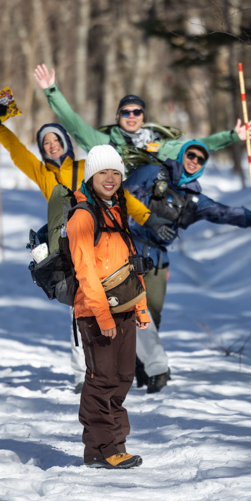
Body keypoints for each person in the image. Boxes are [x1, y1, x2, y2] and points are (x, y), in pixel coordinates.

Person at [0, 106, 175, 391]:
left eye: (56, 140)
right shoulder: (43, 174)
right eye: (46, 143)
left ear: (65, 143)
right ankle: (81, 377)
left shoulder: (85, 167)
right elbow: (17, 152)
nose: (51, 146)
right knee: (79, 311)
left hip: (108, 244)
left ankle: (157, 368)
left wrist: (148, 218)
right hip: (72, 249)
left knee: (132, 301)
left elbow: (118, 192)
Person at [123, 139, 251, 393]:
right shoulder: (151, 172)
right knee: (129, 311)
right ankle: (137, 366)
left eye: (200, 159)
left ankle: (142, 363)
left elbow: (224, 213)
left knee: (151, 316)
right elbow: (119, 196)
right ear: (182, 155)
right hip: (126, 251)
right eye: (190, 155)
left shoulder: (194, 198)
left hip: (158, 260)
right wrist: (148, 222)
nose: (194, 161)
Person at [69, 145, 150, 469]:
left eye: (116, 172)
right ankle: (101, 448)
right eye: (103, 172)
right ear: (91, 175)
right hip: (95, 312)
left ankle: (116, 443)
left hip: (125, 308)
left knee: (124, 377)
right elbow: (85, 269)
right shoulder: (83, 217)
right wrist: (102, 315)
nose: (111, 178)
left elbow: (130, 266)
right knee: (102, 379)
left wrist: (141, 307)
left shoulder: (117, 211)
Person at [32, 64, 251, 171]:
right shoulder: (104, 143)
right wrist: (52, 90)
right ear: (118, 116)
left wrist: (233, 136)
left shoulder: (156, 145)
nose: (131, 116)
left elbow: (196, 147)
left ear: (143, 117)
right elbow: (74, 123)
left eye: (137, 112)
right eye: (126, 112)